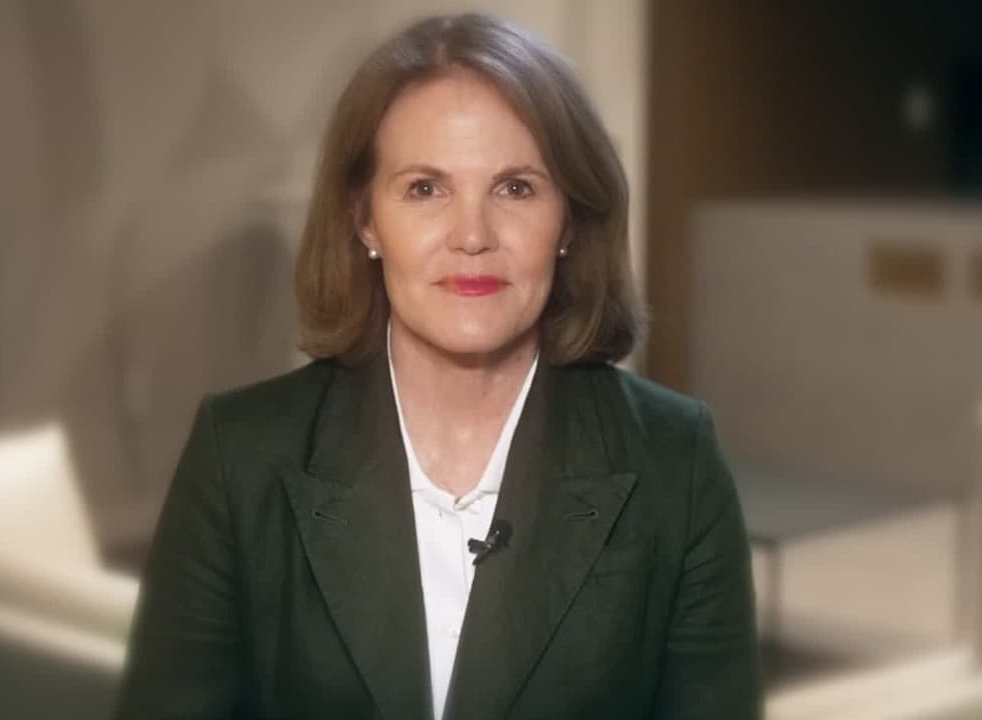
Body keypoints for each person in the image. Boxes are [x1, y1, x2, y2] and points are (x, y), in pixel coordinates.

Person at [115, 12, 761, 720]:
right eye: (426, 188)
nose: (473, 236)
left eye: (516, 188)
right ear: (365, 219)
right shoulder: (237, 456)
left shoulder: (677, 462)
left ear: (570, 220)